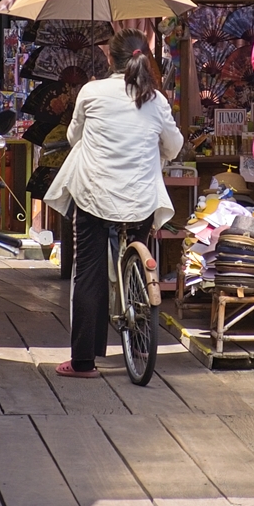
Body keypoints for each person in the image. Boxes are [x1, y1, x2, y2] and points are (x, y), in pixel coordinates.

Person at [45, 28, 184, 378]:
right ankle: (138, 342)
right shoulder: (157, 101)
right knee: (137, 248)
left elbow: (74, 136)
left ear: (111, 59)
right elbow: (174, 145)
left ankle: (84, 361)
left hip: (95, 196)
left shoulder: (92, 91)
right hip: (140, 199)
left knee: (89, 273)